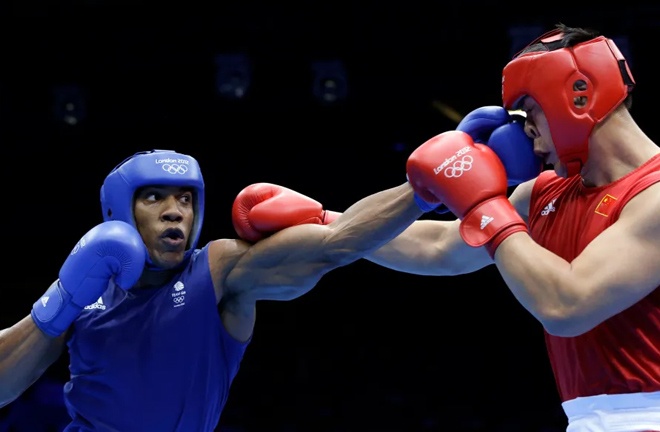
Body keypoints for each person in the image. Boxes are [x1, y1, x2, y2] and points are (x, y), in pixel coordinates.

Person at [243, 24, 660, 431]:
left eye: (530, 111)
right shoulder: (549, 192)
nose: (525, 129)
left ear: (577, 95)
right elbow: (439, 247)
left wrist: (485, 203)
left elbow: (567, 305)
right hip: (586, 419)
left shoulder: (654, 195)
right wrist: (328, 222)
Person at [0, 148, 427, 431]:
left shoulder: (217, 270)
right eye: (154, 198)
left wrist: (423, 187)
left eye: (186, 199)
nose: (174, 213)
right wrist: (60, 301)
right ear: (118, 210)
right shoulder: (84, 287)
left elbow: (336, 243)